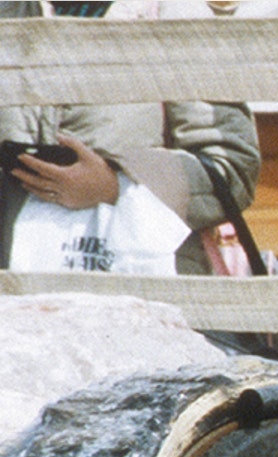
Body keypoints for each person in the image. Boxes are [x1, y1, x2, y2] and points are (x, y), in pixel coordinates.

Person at [1, 2, 260, 276]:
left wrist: (115, 186)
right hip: (17, 291)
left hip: (143, 284)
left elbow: (232, 170)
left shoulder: (171, 14)